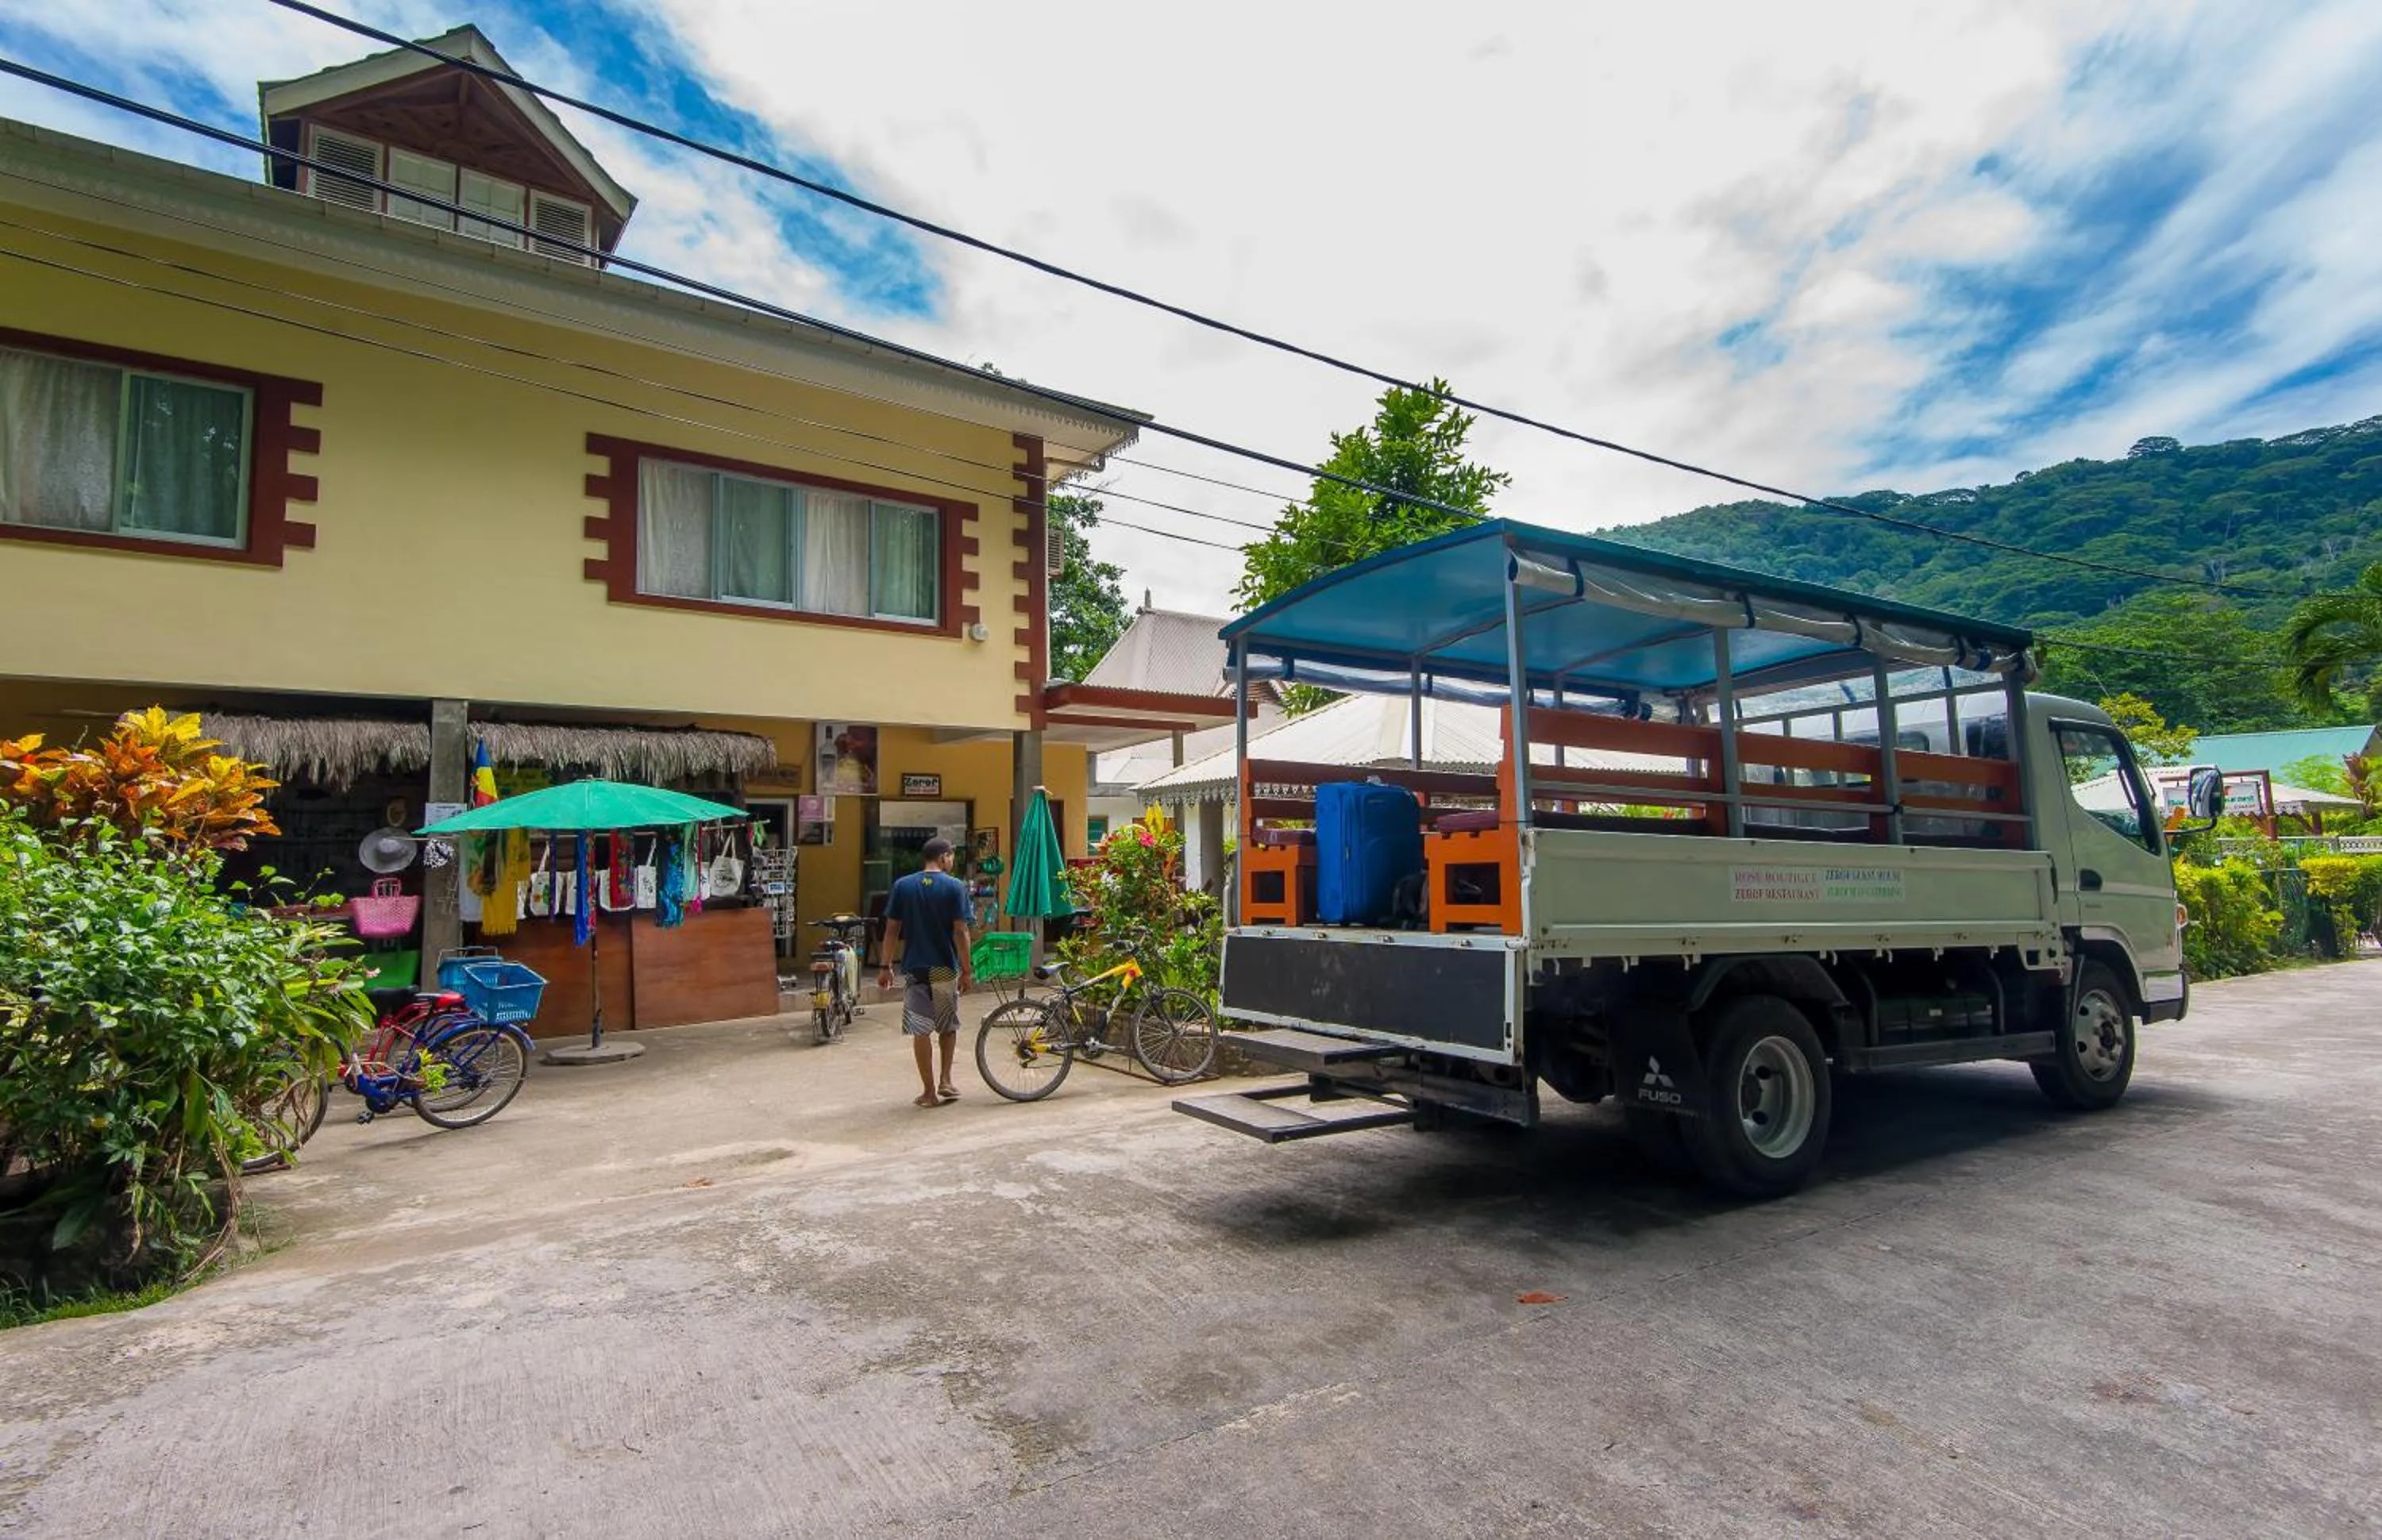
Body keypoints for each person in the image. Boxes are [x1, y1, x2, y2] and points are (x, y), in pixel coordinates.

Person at [878, 837, 973, 1107]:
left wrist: (885, 966)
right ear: (943, 857)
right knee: (947, 1027)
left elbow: (892, 930)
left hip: (915, 969)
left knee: (921, 1030)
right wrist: (966, 969)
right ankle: (946, 1079)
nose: (952, 862)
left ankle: (929, 1092)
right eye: (951, 857)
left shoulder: (903, 886)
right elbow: (961, 931)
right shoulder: (955, 887)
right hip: (944, 967)